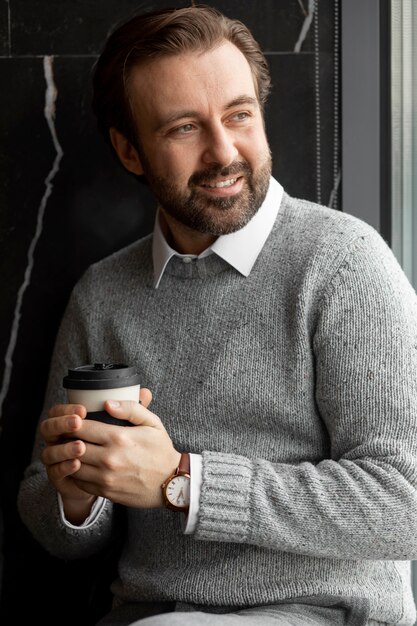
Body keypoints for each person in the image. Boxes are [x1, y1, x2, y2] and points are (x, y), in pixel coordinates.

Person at [17, 4, 417, 626]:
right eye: (183, 128)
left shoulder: (344, 263)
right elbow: (56, 529)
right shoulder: (102, 294)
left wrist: (184, 481)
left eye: (239, 115)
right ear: (129, 150)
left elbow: (405, 503)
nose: (223, 151)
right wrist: (75, 495)